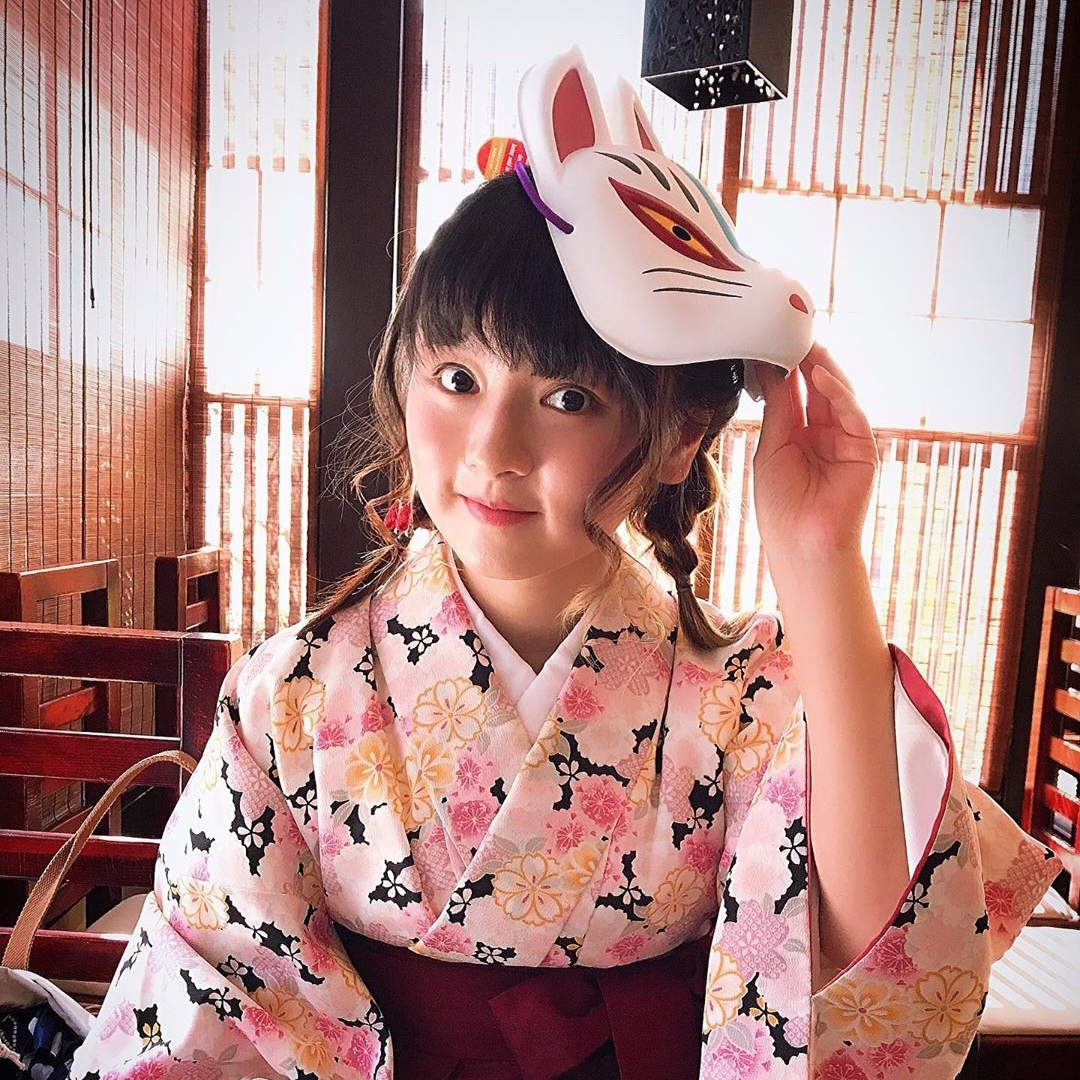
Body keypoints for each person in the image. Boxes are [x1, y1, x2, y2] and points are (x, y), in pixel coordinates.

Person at [72, 51, 1058, 1080]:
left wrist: (822, 560)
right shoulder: (294, 689)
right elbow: (209, 999)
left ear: (680, 437)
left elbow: (861, 973)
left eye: (569, 397)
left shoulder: (744, 696)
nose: (493, 448)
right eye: (457, 378)